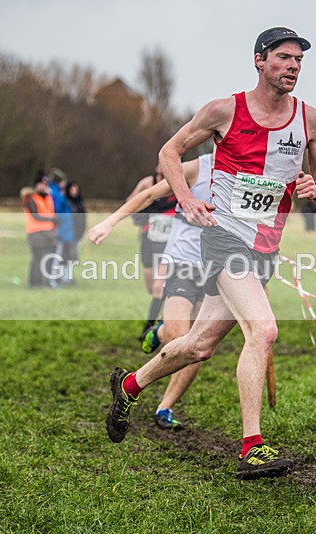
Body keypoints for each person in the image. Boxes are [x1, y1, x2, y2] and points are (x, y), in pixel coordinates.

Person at [104, 27, 316, 479]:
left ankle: (129, 386)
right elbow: (169, 151)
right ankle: (252, 447)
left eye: (299, 60)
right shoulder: (223, 110)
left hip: (264, 246)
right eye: (284, 57)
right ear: (259, 60)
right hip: (223, 239)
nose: (293, 66)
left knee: (200, 344)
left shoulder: (312, 120)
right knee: (263, 331)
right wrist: (187, 200)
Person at [89, 154, 210, 430]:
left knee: (198, 346)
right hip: (183, 263)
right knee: (183, 337)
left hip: (219, 266)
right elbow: (147, 195)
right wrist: (109, 222)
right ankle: (160, 332)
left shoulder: (251, 172)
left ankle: (165, 407)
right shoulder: (198, 168)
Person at [128, 164, 178, 338]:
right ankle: (160, 315)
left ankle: (149, 328)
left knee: (159, 287)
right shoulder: (147, 183)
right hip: (148, 241)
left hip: (168, 244)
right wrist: (140, 210)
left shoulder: (177, 182)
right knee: (151, 286)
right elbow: (130, 202)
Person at [23, 175, 57, 288]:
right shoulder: (31, 198)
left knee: (44, 259)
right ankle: (36, 283)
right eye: (42, 184)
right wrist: (52, 220)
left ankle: (41, 282)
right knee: (38, 258)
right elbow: (35, 216)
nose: (44, 186)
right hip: (36, 232)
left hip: (48, 232)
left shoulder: (47, 198)